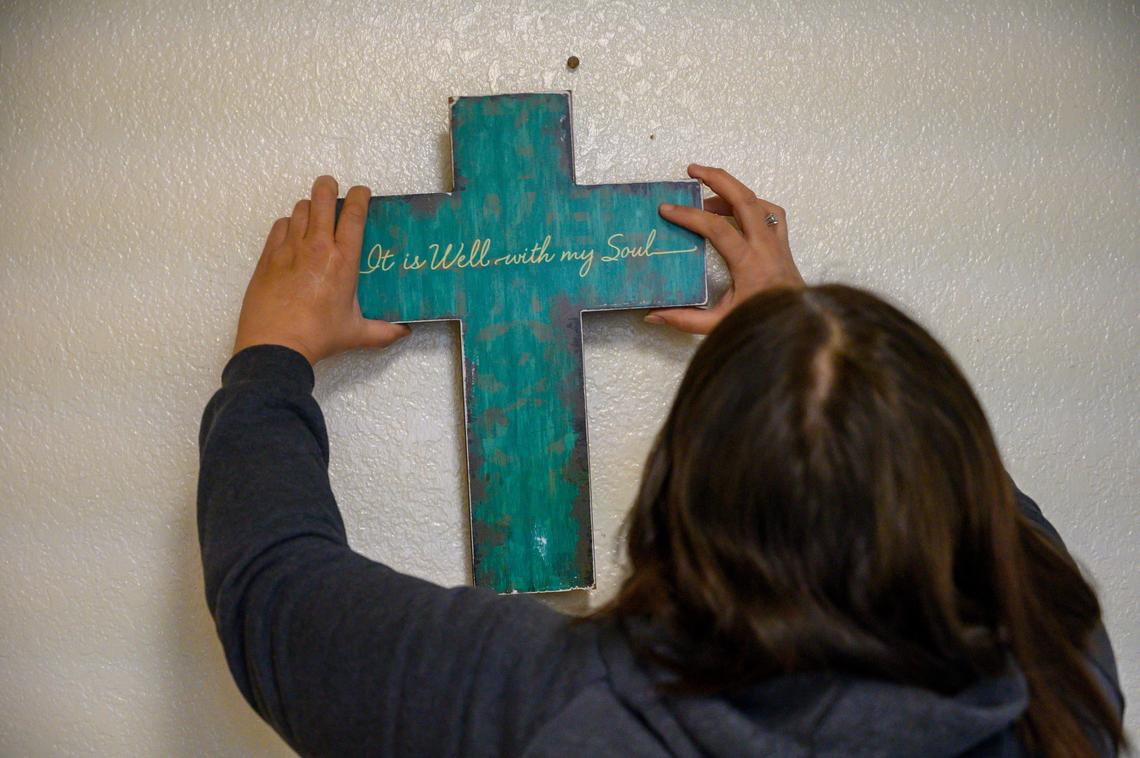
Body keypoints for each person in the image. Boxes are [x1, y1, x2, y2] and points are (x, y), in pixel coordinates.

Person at [198, 165, 1125, 757]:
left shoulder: (542, 703)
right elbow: (991, 523)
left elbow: (276, 594)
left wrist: (271, 356)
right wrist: (818, 354)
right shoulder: (1061, 681)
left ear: (674, 494)